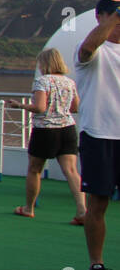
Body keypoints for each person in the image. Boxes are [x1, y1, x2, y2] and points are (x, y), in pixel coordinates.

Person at [74, 0, 120, 270]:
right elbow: (89, 47)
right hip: (99, 136)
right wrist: (114, 15)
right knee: (98, 204)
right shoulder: (93, 53)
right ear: (101, 16)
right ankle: (96, 266)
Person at [14, 48, 85, 223]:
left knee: (34, 169)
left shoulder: (42, 81)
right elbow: (75, 107)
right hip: (67, 129)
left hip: (45, 130)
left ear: (44, 64)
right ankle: (83, 211)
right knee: (71, 171)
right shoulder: (69, 82)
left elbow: (40, 107)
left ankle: (29, 208)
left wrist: (19, 106)